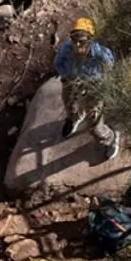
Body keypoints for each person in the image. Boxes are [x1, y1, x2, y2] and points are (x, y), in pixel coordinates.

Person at [53, 16, 120, 161]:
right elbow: (57, 63)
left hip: (93, 87)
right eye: (74, 40)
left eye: (82, 41)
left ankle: (110, 138)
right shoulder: (66, 49)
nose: (77, 45)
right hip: (72, 81)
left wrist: (102, 84)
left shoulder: (100, 54)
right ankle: (74, 117)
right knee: (69, 102)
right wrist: (65, 76)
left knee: (94, 125)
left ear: (90, 40)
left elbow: (110, 68)